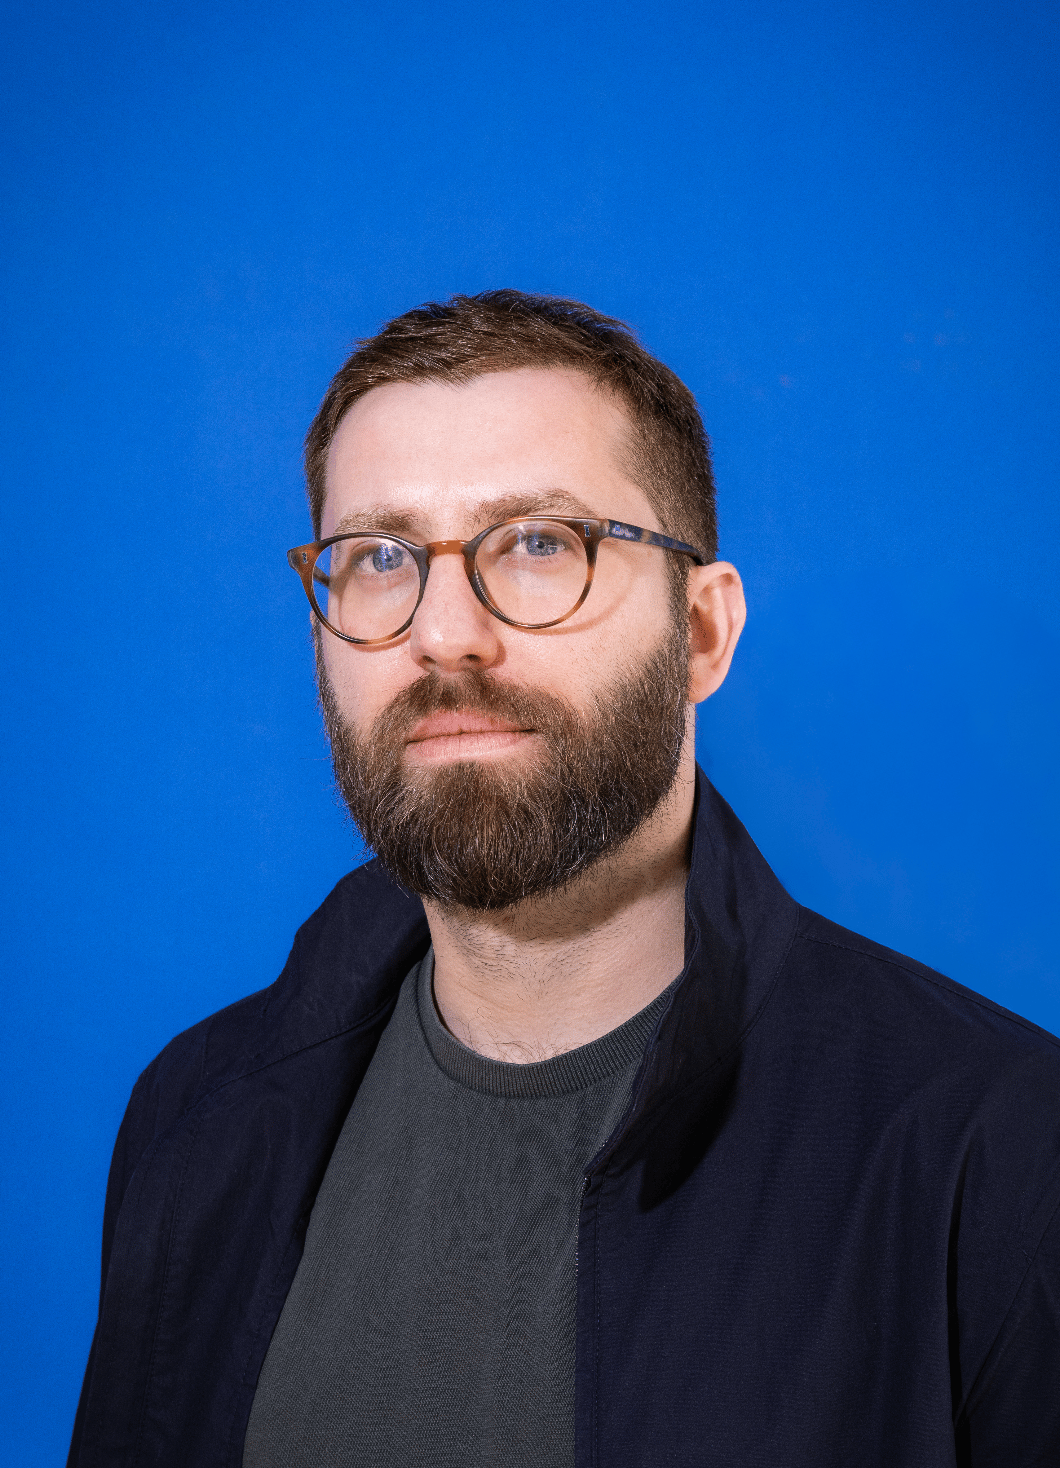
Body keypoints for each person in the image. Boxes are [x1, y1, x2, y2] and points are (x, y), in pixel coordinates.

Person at [69, 291, 1060, 1468]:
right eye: (379, 557)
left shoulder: (998, 1149)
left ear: (700, 632)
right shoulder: (195, 1116)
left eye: (538, 542)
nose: (444, 632)